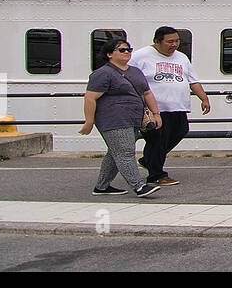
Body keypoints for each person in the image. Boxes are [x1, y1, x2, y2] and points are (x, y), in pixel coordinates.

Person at [79, 37, 164, 197]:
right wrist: (89, 121)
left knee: (114, 153)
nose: (127, 52)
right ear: (110, 54)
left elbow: (146, 92)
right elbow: (90, 98)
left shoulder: (135, 71)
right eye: (122, 50)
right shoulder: (103, 74)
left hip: (133, 119)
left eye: (129, 50)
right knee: (125, 152)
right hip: (114, 119)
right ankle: (139, 186)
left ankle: (101, 187)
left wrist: (155, 113)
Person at [131, 26, 210, 187]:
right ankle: (156, 175)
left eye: (177, 41)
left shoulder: (181, 57)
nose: (174, 44)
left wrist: (204, 98)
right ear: (157, 41)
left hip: (178, 105)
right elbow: (128, 75)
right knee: (158, 140)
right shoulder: (141, 56)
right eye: (170, 41)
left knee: (181, 131)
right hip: (156, 108)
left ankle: (149, 160)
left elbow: (192, 80)